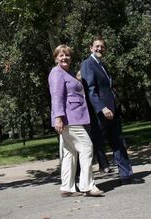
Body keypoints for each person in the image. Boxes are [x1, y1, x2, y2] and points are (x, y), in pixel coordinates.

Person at [80, 36, 144, 185]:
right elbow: (90, 90)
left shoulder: (103, 65)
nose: (99, 49)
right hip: (99, 114)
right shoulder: (87, 64)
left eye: (102, 47)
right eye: (96, 46)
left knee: (119, 143)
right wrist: (102, 107)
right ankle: (83, 182)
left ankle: (126, 176)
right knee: (92, 146)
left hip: (112, 112)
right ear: (91, 48)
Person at [48, 44, 103, 197]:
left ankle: (67, 187)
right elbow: (57, 96)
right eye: (61, 55)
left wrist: (77, 79)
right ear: (56, 58)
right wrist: (58, 117)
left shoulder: (67, 73)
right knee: (86, 147)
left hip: (73, 117)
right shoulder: (56, 72)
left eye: (67, 55)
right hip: (68, 119)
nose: (65, 58)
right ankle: (87, 185)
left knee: (70, 153)